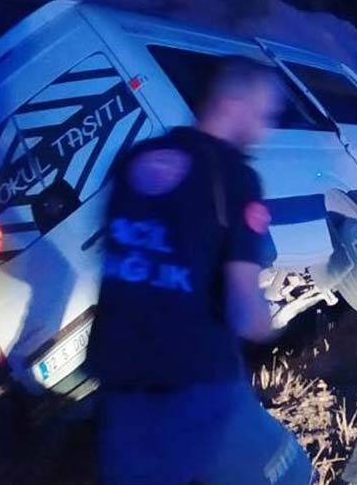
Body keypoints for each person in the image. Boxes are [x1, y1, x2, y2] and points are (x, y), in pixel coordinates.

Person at [86, 56, 313, 485]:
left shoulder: (136, 160)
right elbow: (245, 312)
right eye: (263, 113)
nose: (266, 127)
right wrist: (276, 325)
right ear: (232, 102)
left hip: (118, 377)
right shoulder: (234, 177)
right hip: (194, 379)